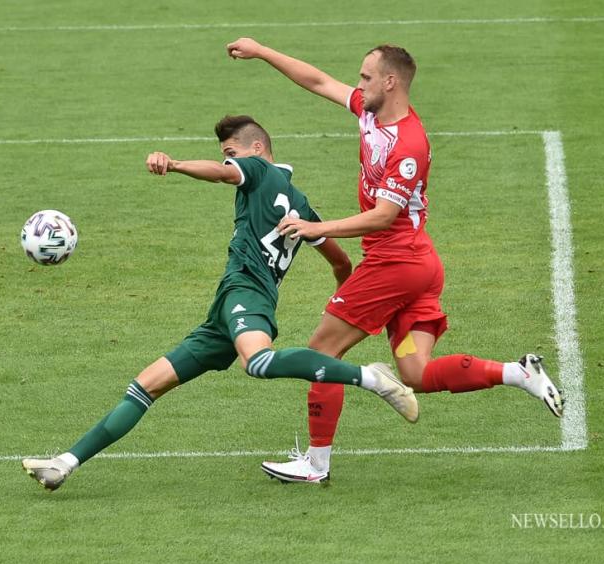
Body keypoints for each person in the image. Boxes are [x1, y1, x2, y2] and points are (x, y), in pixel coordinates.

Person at [225, 38, 564, 483]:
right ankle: (518, 373)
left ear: (390, 81)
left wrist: (316, 228)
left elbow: (384, 216)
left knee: (322, 351)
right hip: (420, 263)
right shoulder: (370, 112)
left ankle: (316, 464)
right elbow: (318, 80)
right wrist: (263, 51)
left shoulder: (409, 145)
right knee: (416, 373)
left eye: (366, 77)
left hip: (395, 264)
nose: (358, 84)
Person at [22, 115, 418, 491]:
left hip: (245, 294)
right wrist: (340, 294)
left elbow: (224, 173)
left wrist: (174, 164)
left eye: (233, 152)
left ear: (257, 148)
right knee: (144, 386)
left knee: (258, 363)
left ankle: (371, 378)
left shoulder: (259, 170)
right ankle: (64, 464)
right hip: (224, 314)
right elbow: (340, 260)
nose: (230, 161)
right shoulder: (302, 204)